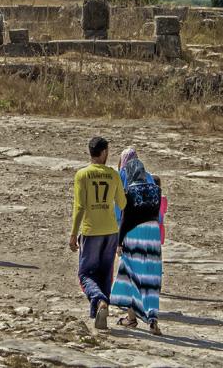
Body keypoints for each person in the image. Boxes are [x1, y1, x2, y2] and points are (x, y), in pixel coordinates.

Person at [69, 136, 126, 331]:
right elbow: (123, 203)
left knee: (85, 273)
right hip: (111, 230)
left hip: (91, 230)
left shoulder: (82, 174)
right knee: (105, 273)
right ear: (103, 153)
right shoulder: (113, 174)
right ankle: (100, 309)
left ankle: (99, 300)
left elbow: (80, 207)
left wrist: (73, 234)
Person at [111, 156, 164, 336]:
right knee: (151, 279)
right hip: (153, 237)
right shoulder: (156, 189)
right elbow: (155, 214)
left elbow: (125, 220)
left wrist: (119, 242)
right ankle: (152, 320)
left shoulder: (130, 192)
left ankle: (131, 317)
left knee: (130, 275)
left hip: (135, 236)